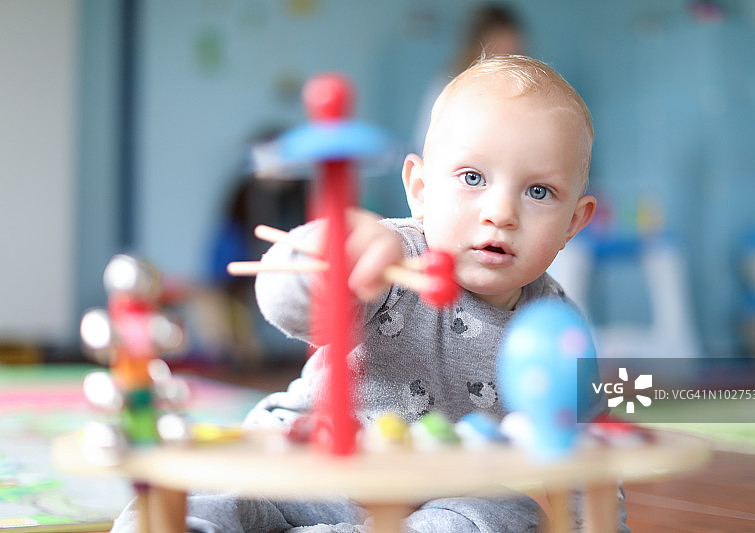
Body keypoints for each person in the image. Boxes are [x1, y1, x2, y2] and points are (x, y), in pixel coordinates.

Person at [111, 55, 629, 532]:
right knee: (210, 496)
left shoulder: (554, 323)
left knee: (508, 515)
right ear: (421, 192)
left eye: (538, 192)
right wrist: (325, 257)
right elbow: (289, 305)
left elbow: (580, 449)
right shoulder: (389, 254)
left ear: (574, 222)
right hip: (307, 460)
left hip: (430, 501)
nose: (501, 213)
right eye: (472, 177)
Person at [412, 3, 527, 154]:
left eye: (513, 52)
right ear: (477, 47)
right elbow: (424, 143)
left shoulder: (521, 90)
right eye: (499, 49)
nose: (506, 60)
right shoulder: (450, 86)